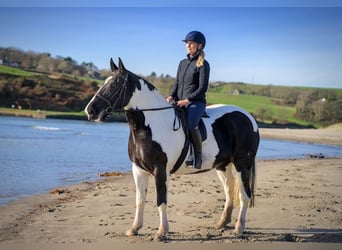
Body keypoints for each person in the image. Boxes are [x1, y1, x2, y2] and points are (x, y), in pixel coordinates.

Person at [166, 31, 210, 169]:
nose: (188, 46)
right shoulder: (182, 63)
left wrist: (188, 100)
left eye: (191, 43)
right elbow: (177, 83)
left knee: (191, 125)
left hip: (196, 102)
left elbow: (202, 88)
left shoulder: (203, 64)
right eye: (187, 43)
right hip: (179, 101)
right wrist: (171, 96)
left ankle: (197, 156)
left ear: (200, 46)